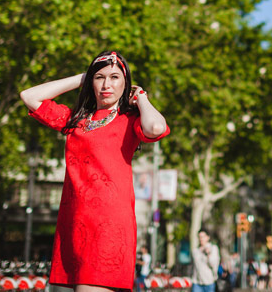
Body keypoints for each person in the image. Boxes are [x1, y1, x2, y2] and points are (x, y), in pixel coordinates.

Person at [21, 50, 169, 292]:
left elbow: (155, 126)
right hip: (75, 223)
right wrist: (82, 77)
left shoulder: (129, 120)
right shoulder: (76, 121)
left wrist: (141, 97)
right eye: (99, 77)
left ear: (125, 83)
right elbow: (29, 96)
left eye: (114, 77)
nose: (106, 84)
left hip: (109, 226)